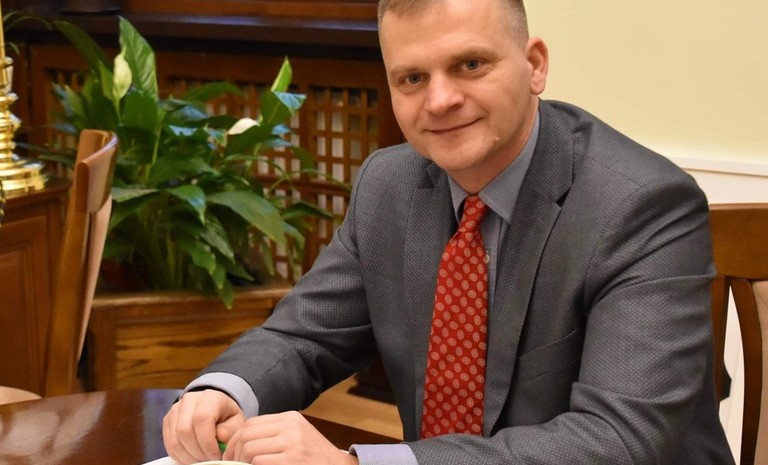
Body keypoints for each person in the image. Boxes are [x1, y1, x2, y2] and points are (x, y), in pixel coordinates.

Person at [162, 0, 735, 463]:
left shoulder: (642, 206)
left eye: (470, 65)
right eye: (412, 77)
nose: (440, 100)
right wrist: (225, 389)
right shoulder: (388, 184)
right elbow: (308, 335)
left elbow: (619, 439)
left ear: (534, 64)